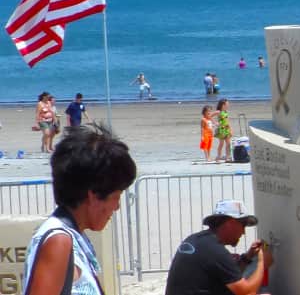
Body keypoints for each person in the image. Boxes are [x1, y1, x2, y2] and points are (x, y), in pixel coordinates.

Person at [23, 123, 137, 295]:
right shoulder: (59, 241)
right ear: (93, 195)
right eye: (116, 196)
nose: (117, 207)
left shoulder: (72, 235)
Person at [164, 199, 273, 295]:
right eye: (243, 225)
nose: (243, 232)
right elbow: (247, 292)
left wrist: (247, 258)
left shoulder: (198, 240)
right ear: (230, 223)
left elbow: (228, 274)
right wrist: (262, 263)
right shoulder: (216, 251)